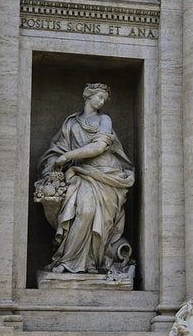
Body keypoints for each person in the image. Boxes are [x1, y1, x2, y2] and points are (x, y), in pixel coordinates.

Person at [35, 83, 134, 275]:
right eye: (99, 97)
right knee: (83, 211)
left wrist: (67, 156)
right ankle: (69, 260)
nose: (101, 102)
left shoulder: (105, 119)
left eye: (104, 99)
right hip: (80, 174)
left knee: (98, 218)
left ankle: (92, 262)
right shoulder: (71, 123)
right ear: (88, 96)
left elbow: (98, 147)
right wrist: (56, 160)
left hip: (106, 176)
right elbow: (57, 149)